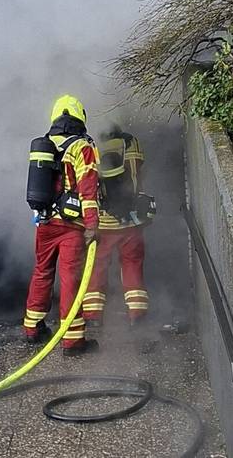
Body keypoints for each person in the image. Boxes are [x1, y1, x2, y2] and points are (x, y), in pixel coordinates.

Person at [22, 94, 101, 357]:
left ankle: (32, 328)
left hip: (44, 223)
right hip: (71, 226)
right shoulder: (82, 147)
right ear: (80, 117)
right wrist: (92, 225)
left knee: (42, 271)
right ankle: (73, 341)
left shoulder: (44, 145)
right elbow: (88, 190)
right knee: (70, 279)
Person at [82, 127, 151, 327]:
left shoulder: (91, 145)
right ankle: (137, 313)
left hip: (102, 221)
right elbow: (138, 173)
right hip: (131, 219)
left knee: (97, 267)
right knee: (132, 264)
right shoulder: (131, 142)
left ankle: (93, 315)